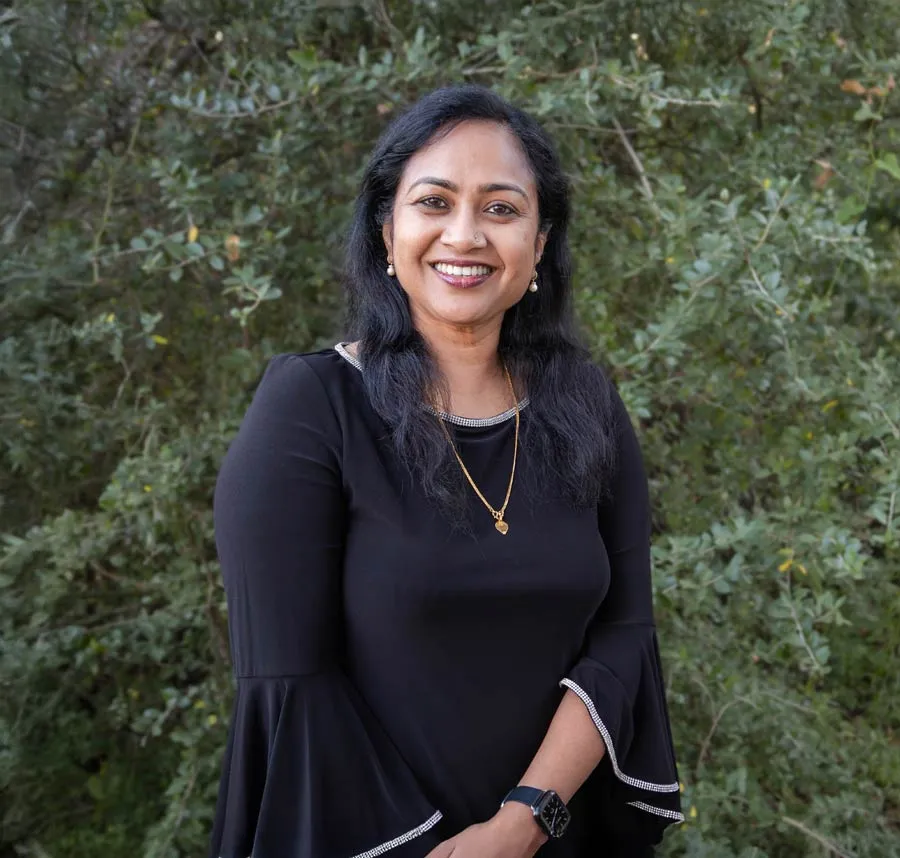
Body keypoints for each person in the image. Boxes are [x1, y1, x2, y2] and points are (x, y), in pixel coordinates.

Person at [208, 84, 683, 858]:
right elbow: (289, 690)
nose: (464, 235)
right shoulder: (312, 406)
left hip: (551, 836)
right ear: (386, 229)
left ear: (540, 240)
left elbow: (624, 636)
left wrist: (522, 822)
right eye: (433, 202)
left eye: (501, 208)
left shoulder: (587, 405)